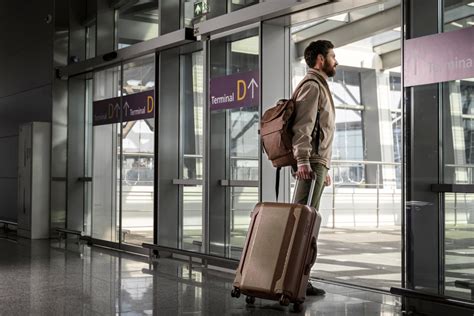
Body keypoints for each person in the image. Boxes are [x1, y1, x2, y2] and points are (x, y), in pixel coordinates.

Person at [291, 40, 338, 296]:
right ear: (320, 59)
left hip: (317, 163)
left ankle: (298, 278)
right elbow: (303, 126)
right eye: (332, 56)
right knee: (303, 222)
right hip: (311, 163)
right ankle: (295, 279)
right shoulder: (312, 86)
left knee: (307, 220)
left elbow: (320, 130)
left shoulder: (319, 86)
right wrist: (303, 160)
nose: (336, 61)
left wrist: (324, 167)